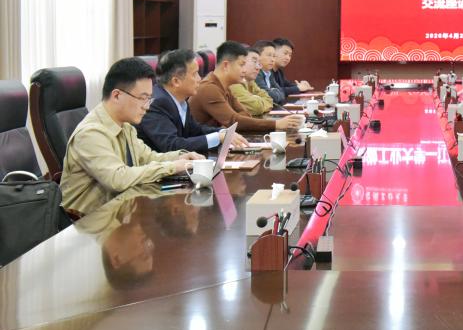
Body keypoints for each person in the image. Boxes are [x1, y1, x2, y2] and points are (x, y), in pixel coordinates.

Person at [60, 57, 201, 215]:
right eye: (142, 98)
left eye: (149, 99)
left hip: (119, 212)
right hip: (87, 222)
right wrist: (173, 167)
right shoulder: (91, 133)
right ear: (117, 96)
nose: (147, 106)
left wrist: (181, 157)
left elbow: (148, 157)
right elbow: (117, 178)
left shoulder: (125, 126)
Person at [137, 49, 249, 154]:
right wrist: (218, 138)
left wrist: (222, 133)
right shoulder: (157, 103)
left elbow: (196, 130)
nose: (199, 79)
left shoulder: (181, 100)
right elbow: (172, 145)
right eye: (195, 74)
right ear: (176, 81)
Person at [191, 41, 304, 133]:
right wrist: (277, 124)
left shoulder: (225, 86)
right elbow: (235, 121)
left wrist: (236, 121)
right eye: (241, 65)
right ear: (226, 65)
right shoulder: (209, 88)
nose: (244, 70)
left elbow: (244, 114)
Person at [229, 46, 275, 117]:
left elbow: (269, 100)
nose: (258, 67)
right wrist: (259, 100)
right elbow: (256, 108)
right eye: (254, 62)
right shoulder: (233, 82)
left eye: (259, 63)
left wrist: (257, 100)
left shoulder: (250, 82)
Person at [252, 39, 286, 105]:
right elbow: (271, 96)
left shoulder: (269, 73)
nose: (272, 59)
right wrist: (274, 91)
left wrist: (274, 92)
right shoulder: (256, 74)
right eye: (269, 55)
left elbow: (282, 93)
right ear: (257, 56)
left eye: (274, 56)